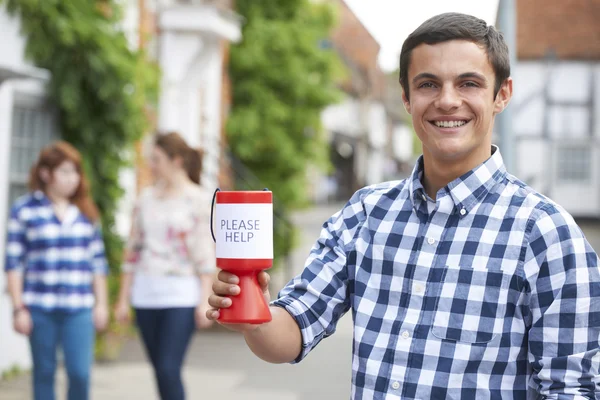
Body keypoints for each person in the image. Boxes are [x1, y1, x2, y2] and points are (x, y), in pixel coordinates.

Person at [206, 12, 600, 399]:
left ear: (502, 95)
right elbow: (292, 331)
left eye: (468, 83)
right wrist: (250, 312)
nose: (447, 101)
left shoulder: (547, 235)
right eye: (428, 84)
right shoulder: (365, 213)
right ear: (406, 98)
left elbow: (572, 390)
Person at [114, 132, 215, 400]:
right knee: (159, 369)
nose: (151, 165)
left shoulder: (197, 199)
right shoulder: (145, 198)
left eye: (156, 159)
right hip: (146, 295)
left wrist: (205, 300)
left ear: (177, 161)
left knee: (170, 368)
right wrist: (123, 299)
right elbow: (133, 250)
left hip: (181, 294)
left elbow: (205, 253)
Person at [5, 141, 109, 400]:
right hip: (40, 307)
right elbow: (13, 263)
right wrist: (18, 308)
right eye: (65, 172)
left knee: (80, 374)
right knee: (44, 373)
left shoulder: (86, 212)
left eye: (75, 172)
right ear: (45, 173)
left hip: (79, 308)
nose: (72, 179)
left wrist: (102, 304)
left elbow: (97, 262)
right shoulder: (24, 210)